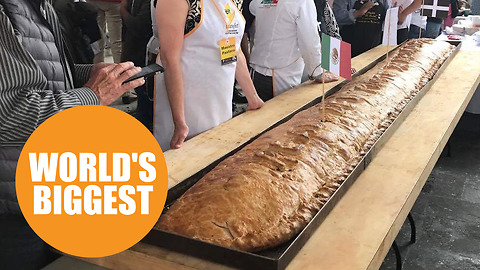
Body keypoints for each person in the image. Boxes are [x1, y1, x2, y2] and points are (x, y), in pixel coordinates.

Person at [0, 0, 144, 268]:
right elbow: (10, 114)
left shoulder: (38, 6)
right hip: (13, 201)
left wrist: (89, 74)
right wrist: (94, 94)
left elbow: (41, 78)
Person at [153, 0, 264, 150]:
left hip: (219, 96)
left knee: (218, 152)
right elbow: (169, 59)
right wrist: (180, 123)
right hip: (187, 100)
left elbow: (234, 47)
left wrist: (253, 97)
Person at [249, 0, 339, 102]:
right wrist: (317, 72)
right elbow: (309, 41)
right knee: (281, 114)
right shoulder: (303, 2)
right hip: (282, 75)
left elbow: (252, 7)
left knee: (259, 115)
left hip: (256, 71)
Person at [120, 0, 153, 119]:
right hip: (137, 50)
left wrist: (122, 10)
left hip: (143, 52)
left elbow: (139, 26)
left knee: (146, 92)